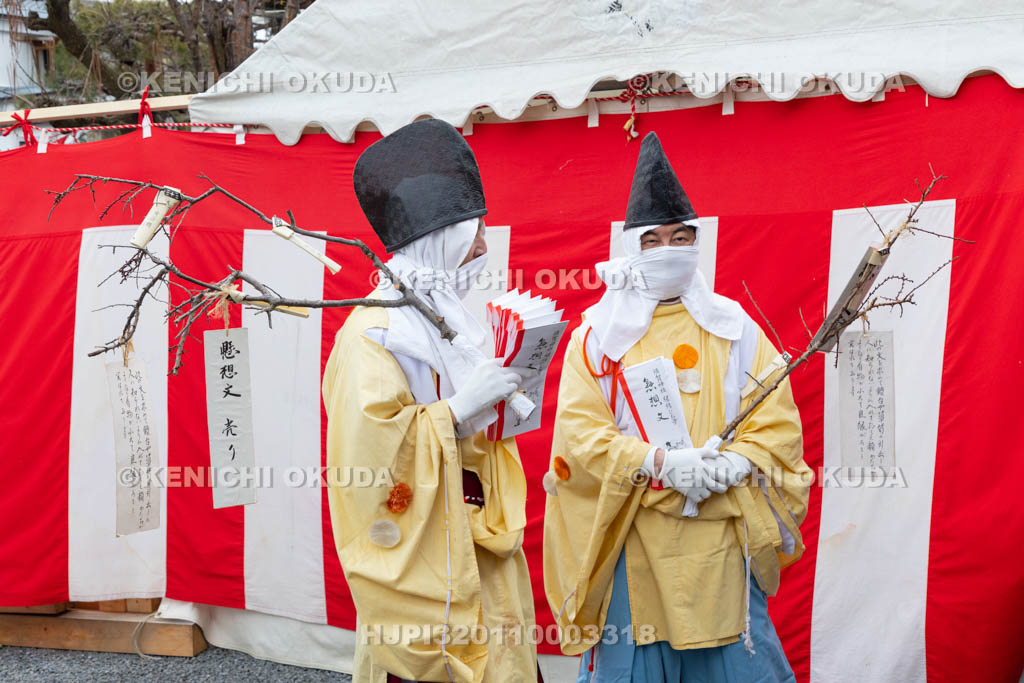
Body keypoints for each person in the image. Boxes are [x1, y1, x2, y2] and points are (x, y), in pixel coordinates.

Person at [542, 131, 812, 682]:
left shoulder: (734, 327)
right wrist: (660, 464)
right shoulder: (596, 337)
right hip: (632, 534)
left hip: (717, 532)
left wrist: (738, 463)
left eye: (681, 237)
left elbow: (775, 420)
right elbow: (581, 432)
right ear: (630, 246)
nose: (669, 250)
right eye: (654, 240)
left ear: (698, 242)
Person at [323, 119, 538, 682]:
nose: (486, 246)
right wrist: (456, 412)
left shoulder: (452, 322)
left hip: (484, 542)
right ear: (443, 240)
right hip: (426, 553)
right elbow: (365, 458)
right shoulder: (373, 332)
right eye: (477, 232)